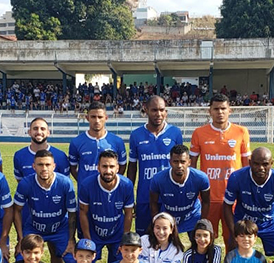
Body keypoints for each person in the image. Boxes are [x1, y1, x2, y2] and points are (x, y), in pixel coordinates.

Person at [13, 117, 71, 263]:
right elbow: (17, 207)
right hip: (34, 224)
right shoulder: (25, 177)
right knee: (21, 259)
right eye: (35, 128)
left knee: (68, 258)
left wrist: (71, 238)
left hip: (59, 226)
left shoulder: (62, 171)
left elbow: (72, 209)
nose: (44, 168)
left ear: (54, 166)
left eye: (42, 128)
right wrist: (21, 237)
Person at [189, 93, 251, 251]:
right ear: (209, 111)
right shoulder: (199, 133)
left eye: (223, 108)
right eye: (216, 109)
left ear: (230, 110)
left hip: (233, 197)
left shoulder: (241, 132)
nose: (220, 112)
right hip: (208, 197)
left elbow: (247, 166)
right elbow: (192, 165)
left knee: (234, 238)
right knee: (205, 240)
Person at [223, 147, 274, 257]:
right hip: (244, 222)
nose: (260, 168)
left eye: (265, 164)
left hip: (269, 222)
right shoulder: (237, 177)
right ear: (250, 162)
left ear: (271, 163)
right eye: (256, 164)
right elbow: (227, 206)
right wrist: (234, 232)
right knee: (234, 254)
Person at [127, 95, 183, 235]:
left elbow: (182, 165)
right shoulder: (136, 135)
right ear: (145, 109)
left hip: (169, 195)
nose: (159, 114)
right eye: (154, 110)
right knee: (144, 237)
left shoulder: (175, 133)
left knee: (168, 236)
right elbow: (132, 167)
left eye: (162, 110)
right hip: (144, 195)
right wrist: (129, 195)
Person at [78, 150, 134, 263]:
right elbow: (83, 212)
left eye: (112, 166)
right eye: (104, 166)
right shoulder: (86, 185)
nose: (108, 171)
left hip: (117, 232)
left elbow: (128, 213)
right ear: (98, 167)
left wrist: (124, 238)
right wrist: (88, 238)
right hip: (94, 231)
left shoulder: (127, 185)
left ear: (117, 168)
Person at [149, 145, 211, 240]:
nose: (179, 166)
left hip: (192, 215)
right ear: (170, 162)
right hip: (168, 215)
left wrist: (201, 222)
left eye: (183, 162)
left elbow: (206, 201)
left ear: (189, 162)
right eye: (175, 161)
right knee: (165, 246)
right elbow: (153, 202)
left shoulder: (201, 178)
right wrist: (157, 222)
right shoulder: (158, 179)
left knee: (199, 245)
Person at [69, 101, 127, 189]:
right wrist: (83, 182)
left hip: (109, 191)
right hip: (86, 193)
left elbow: (122, 165)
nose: (97, 120)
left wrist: (110, 181)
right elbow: (73, 168)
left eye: (100, 117)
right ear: (87, 118)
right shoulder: (76, 142)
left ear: (106, 118)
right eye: (93, 117)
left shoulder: (117, 141)